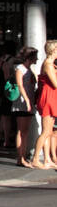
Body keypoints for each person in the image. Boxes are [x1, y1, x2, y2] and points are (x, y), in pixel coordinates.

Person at [9, 46, 37, 168]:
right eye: (35, 56)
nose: (37, 58)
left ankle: (23, 156)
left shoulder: (29, 69)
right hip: (22, 103)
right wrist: (26, 100)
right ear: (29, 57)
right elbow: (20, 85)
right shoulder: (20, 69)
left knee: (25, 131)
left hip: (29, 102)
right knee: (21, 131)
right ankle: (20, 158)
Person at [32, 40, 57, 170]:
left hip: (52, 97)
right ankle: (36, 158)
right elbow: (55, 83)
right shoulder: (48, 64)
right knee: (46, 131)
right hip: (49, 98)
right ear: (53, 50)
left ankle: (47, 159)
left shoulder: (51, 64)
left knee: (48, 131)